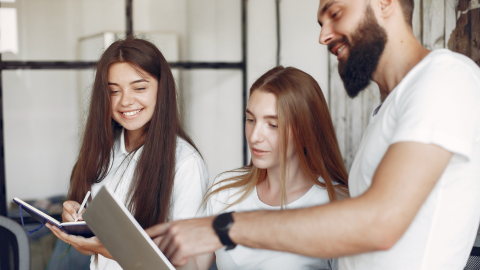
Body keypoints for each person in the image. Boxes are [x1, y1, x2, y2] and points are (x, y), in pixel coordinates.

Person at [146, 0, 480, 269]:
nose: (323, 36)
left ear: (385, 3)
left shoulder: (445, 77)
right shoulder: (388, 110)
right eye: (321, 23)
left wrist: (223, 228)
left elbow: (380, 223)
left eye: (335, 13)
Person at [46, 38, 208, 270]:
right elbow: (93, 242)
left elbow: (189, 265)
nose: (125, 101)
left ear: (162, 89)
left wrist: (110, 248)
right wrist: (76, 218)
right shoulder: (103, 151)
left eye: (139, 88)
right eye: (114, 91)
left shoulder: (185, 163)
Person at [186, 66, 348, 270]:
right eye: (251, 120)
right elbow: (193, 265)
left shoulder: (336, 205)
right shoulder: (225, 191)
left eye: (273, 125)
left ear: (307, 131)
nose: (254, 137)